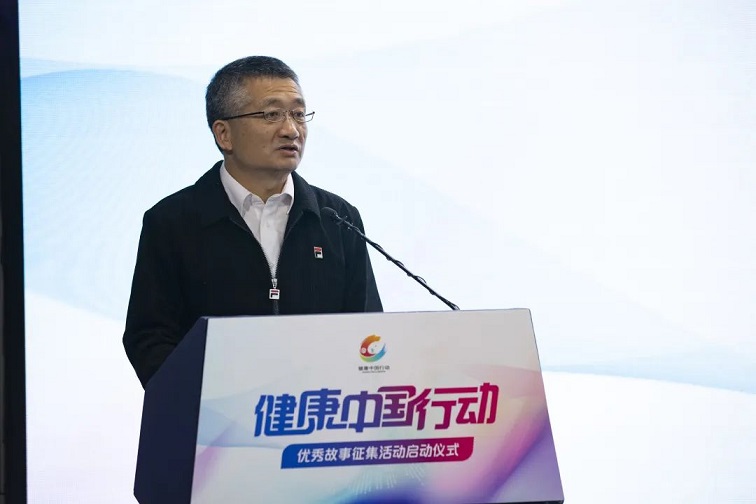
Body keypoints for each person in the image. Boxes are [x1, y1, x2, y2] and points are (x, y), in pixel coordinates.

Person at [123, 56, 382, 387]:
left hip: (318, 409)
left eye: (298, 114)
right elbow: (150, 337)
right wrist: (204, 400)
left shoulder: (338, 218)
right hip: (214, 414)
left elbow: (368, 328)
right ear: (224, 134)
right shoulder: (173, 221)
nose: (291, 130)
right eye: (271, 115)